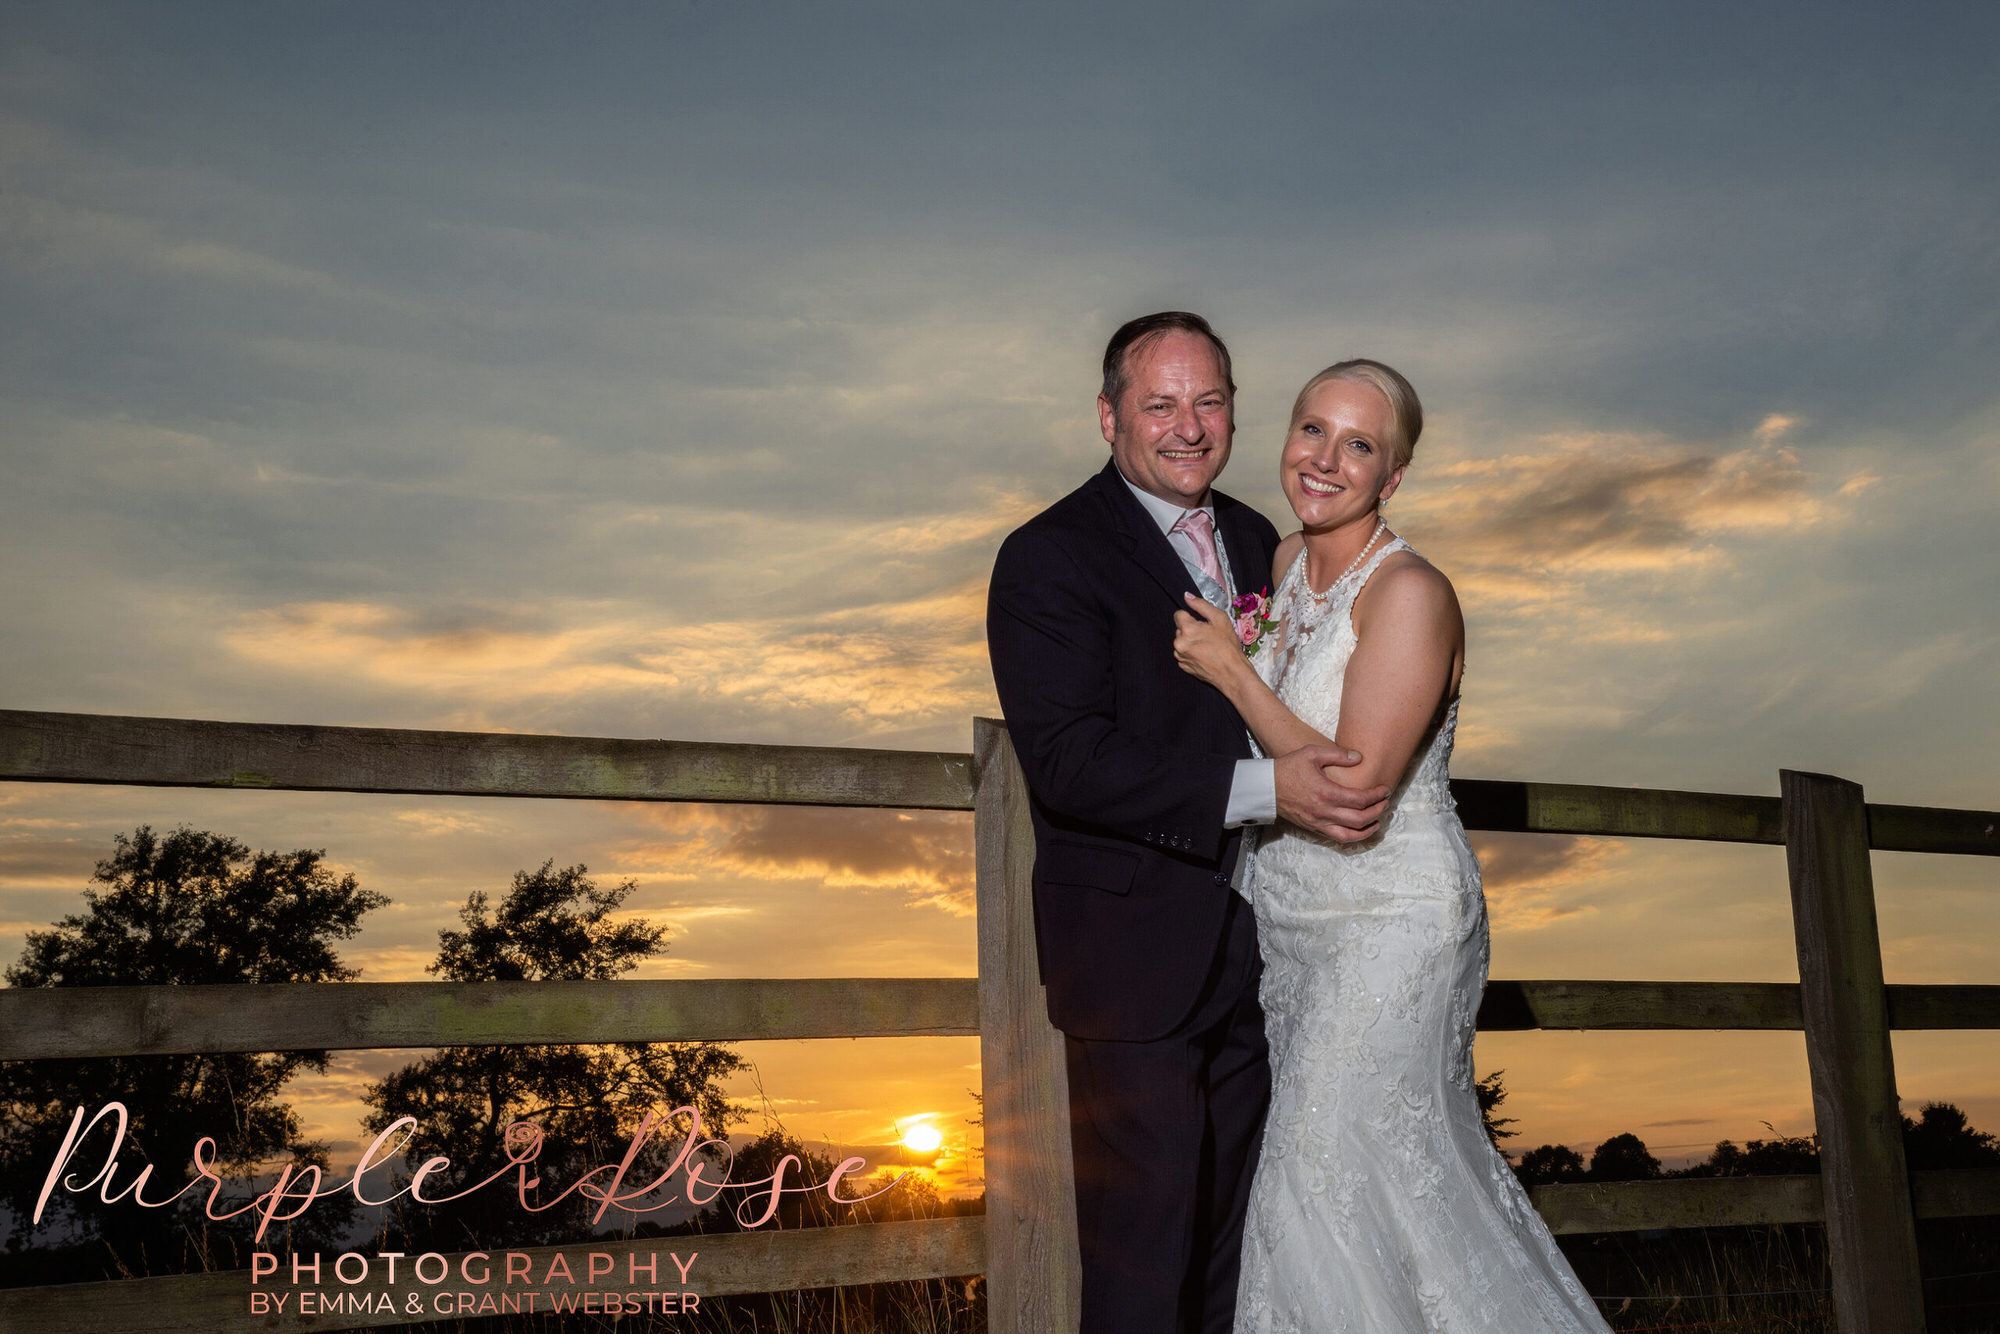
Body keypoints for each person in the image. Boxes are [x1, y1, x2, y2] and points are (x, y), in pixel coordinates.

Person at [1171, 360, 1613, 1332]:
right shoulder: (1281, 567)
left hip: (1388, 927)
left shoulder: (1410, 591)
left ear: (1392, 475)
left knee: (1312, 1180)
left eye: (1357, 444)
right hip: (1291, 926)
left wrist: (1228, 672)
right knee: (1382, 1199)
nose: (1323, 459)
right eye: (1310, 430)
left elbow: (1352, 790)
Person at [985, 313, 1394, 1334]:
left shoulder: (1262, 539)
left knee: (1232, 1255)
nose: (1186, 426)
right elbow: (1071, 761)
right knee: (1142, 1258)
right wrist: (1268, 792)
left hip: (1262, 951)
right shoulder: (1048, 556)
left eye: (1207, 400)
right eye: (1158, 402)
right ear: (1107, 414)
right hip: (1132, 961)